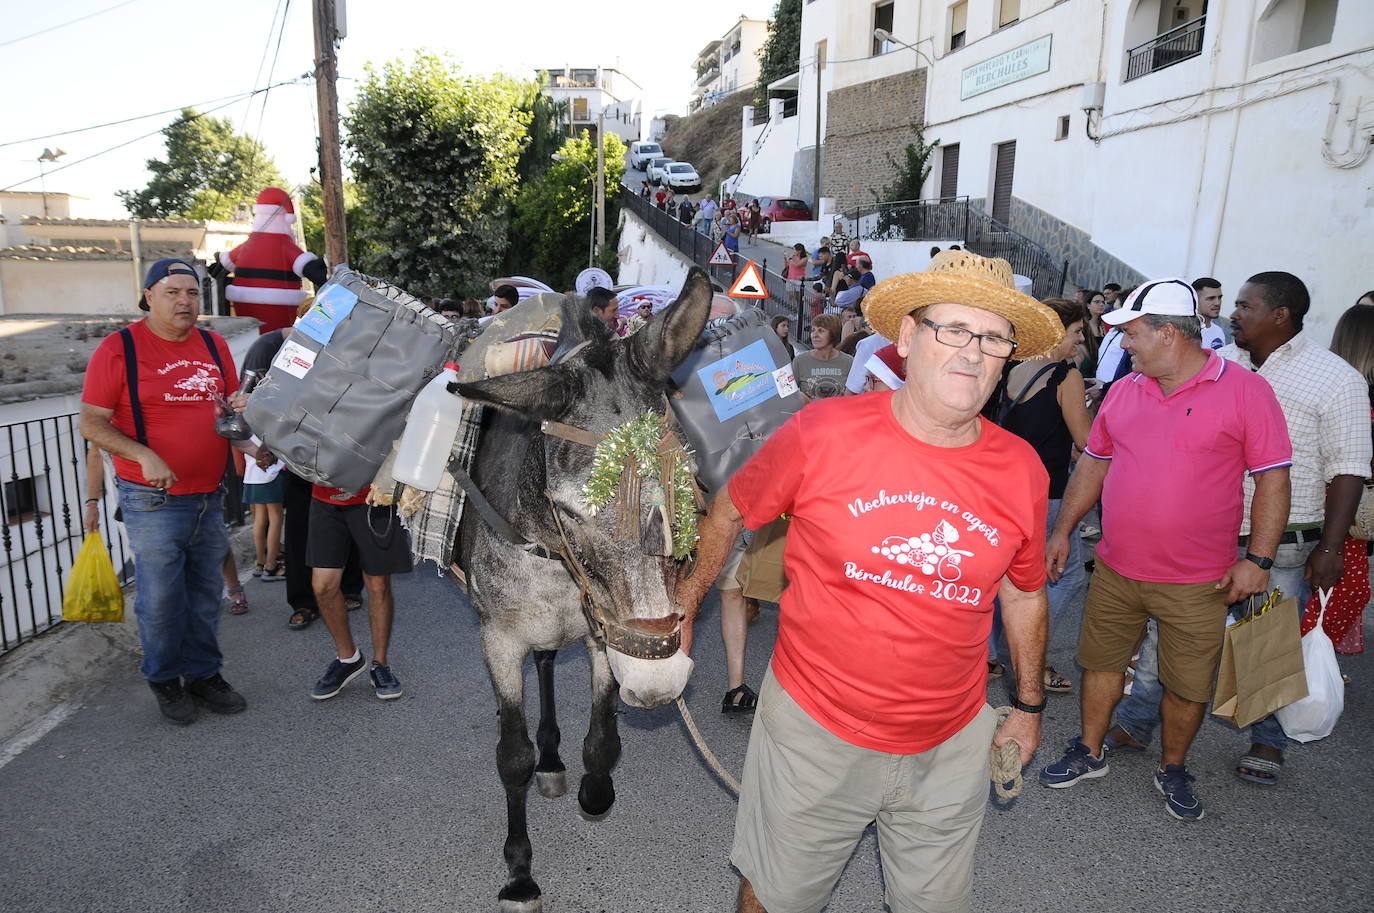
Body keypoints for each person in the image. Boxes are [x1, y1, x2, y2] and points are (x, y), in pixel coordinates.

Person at [674, 249, 1060, 913]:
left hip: (950, 741)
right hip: (815, 733)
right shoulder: (824, 432)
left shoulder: (1021, 469)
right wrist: (685, 608)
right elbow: (731, 508)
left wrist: (1028, 706)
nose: (973, 352)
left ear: (1007, 357)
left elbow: (1023, 591)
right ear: (909, 338)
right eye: (954, 330)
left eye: (993, 337)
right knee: (774, 897)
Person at [1038, 277, 1293, 821]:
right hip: (1116, 568)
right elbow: (1095, 463)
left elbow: (1273, 479)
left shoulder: (1246, 391)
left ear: (1170, 333)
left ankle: (1173, 766)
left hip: (1201, 580)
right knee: (1101, 664)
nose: (1123, 345)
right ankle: (1089, 749)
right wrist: (1063, 530)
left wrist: (1260, 560)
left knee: (1187, 682)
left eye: (1131, 334)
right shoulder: (1127, 390)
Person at [79, 258, 250, 724]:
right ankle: (163, 677)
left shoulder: (214, 345)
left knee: (204, 591)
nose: (184, 301)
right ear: (149, 296)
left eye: (192, 293)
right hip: (151, 500)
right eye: (173, 292)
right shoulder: (120, 350)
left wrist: (252, 439)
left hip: (209, 493)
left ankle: (202, 674)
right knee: (159, 597)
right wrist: (144, 455)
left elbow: (227, 414)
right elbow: (92, 423)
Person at [237, 306, 365, 629]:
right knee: (298, 531)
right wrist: (265, 445)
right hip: (301, 457)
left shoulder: (352, 353)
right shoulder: (288, 352)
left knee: (349, 524)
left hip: (341, 455)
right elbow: (277, 401)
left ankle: (350, 588)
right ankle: (303, 602)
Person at [989, 298, 1092, 693]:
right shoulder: (1065, 376)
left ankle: (991, 652)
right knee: (1065, 580)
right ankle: (1031, 652)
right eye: (1076, 331)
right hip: (1048, 494)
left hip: (1008, 489)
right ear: (1056, 331)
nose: (1082, 340)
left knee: (1007, 576)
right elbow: (1086, 442)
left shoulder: (1012, 368)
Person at [308, 484, 414, 701]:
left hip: (374, 494)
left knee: (378, 584)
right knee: (323, 586)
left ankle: (380, 664)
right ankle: (348, 657)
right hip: (324, 496)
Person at [1322, 303, 1374, 654]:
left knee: (1338, 589)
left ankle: (1310, 660)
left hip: (1333, 503)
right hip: (1341, 504)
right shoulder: (1350, 389)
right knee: (1343, 587)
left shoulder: (1329, 379)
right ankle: (1305, 664)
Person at [790, 314, 852, 401]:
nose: (814, 335)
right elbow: (788, 393)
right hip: (810, 413)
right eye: (813, 330)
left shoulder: (848, 361)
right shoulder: (800, 361)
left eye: (821, 331)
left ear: (833, 333)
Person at [1193, 277, 1228, 349]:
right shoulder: (1185, 332)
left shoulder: (1219, 331)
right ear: (1195, 300)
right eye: (1211, 298)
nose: (1217, 303)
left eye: (1219, 297)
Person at [785, 244, 808, 312]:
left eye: (794, 250)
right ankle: (792, 312)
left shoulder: (804, 258)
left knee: (798, 298)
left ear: (799, 251)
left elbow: (797, 265)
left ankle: (799, 312)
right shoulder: (793, 257)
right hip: (790, 278)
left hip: (798, 280)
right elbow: (788, 265)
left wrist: (789, 259)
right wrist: (785, 259)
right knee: (791, 297)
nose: (793, 251)